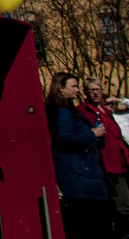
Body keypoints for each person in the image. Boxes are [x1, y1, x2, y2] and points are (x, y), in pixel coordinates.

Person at [46, 73, 109, 237]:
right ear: (61, 88)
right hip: (79, 178)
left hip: (87, 176)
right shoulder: (62, 113)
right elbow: (64, 139)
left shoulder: (71, 111)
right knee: (88, 226)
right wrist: (92, 134)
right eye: (73, 86)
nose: (77, 90)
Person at [78, 77, 129, 233]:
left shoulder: (105, 110)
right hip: (107, 165)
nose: (95, 93)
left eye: (98, 89)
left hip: (121, 162)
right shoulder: (83, 111)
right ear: (85, 92)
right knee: (123, 204)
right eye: (91, 90)